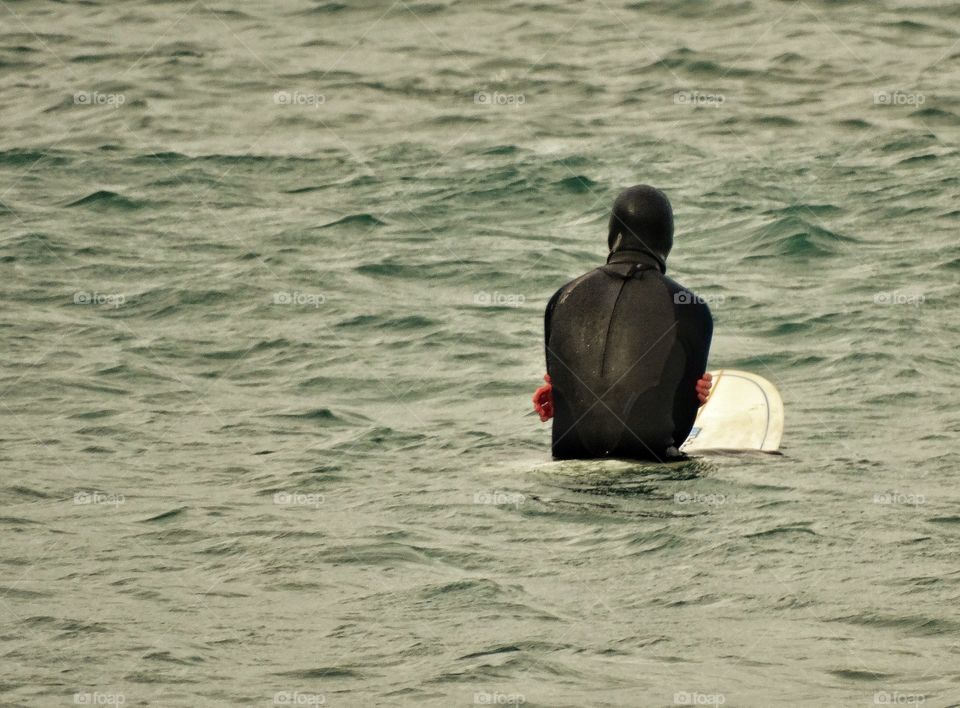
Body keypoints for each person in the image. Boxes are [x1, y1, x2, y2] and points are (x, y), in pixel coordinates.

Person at [532, 185, 713, 461]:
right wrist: (693, 397)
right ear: (667, 241)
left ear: (612, 236)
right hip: (648, 464)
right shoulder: (692, 308)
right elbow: (680, 426)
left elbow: (564, 396)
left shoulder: (561, 299)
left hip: (568, 462)